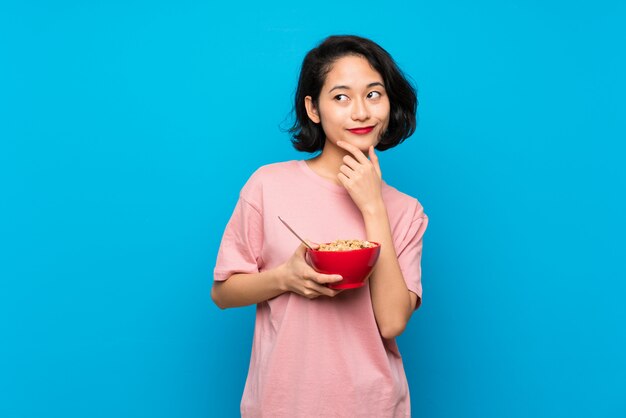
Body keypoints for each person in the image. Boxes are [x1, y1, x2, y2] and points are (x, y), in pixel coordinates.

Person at [212, 35, 428, 418]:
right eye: (341, 97)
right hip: (282, 403)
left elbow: (393, 321)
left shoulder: (406, 210)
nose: (360, 112)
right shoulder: (267, 185)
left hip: (372, 405)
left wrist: (373, 207)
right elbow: (223, 292)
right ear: (313, 108)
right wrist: (286, 278)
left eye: (374, 94)